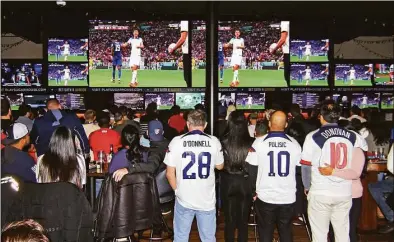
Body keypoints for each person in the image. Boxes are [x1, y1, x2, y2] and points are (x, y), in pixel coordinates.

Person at [301, 102, 367, 242]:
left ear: (321, 117)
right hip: (344, 191)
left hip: (321, 191)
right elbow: (363, 150)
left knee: (320, 236)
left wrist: (307, 187)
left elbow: (306, 166)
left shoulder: (313, 136)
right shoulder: (354, 136)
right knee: (343, 234)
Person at [164, 110, 224, 241]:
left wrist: (177, 191)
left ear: (187, 124)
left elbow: (169, 173)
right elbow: (220, 166)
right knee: (208, 238)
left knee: (180, 237)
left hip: (184, 198)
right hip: (206, 200)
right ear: (206, 124)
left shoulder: (176, 141)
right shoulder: (214, 141)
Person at [246, 111, 302, 242]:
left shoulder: (258, 143)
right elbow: (299, 171)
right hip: (287, 196)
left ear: (269, 123)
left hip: (265, 196)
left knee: (265, 231)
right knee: (286, 230)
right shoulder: (295, 144)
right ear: (286, 124)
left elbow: (252, 169)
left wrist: (253, 191)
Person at [325, 120, 368, 242]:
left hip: (351, 194)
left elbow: (355, 173)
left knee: (348, 230)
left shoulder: (356, 149)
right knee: (334, 230)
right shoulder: (333, 149)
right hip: (335, 193)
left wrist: (332, 171)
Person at [220, 111, 255, 242]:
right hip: (245, 182)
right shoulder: (252, 142)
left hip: (228, 182)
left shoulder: (222, 141)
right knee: (243, 223)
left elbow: (219, 164)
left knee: (229, 222)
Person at [169, 20, 190, 87]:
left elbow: (183, 38)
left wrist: (173, 49)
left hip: (187, 54)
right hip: (188, 52)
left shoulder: (184, 21)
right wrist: (180, 48)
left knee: (187, 79)